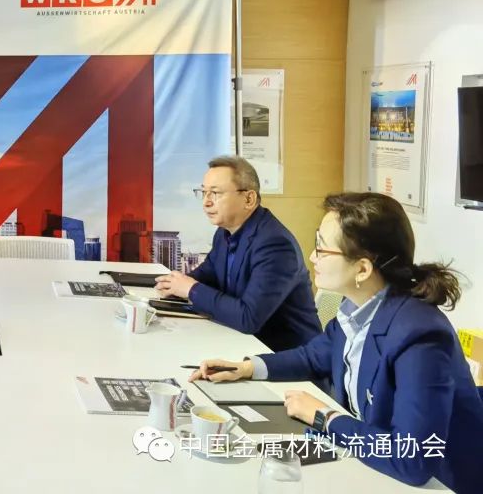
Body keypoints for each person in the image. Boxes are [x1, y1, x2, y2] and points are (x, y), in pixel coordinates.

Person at [190, 192, 483, 491]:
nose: (312, 257)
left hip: (442, 484)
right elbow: (313, 356)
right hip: (374, 469)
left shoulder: (419, 335)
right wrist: (247, 368)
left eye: (322, 248)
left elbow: (413, 458)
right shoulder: (356, 308)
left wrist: (325, 417)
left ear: (362, 269)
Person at [155, 155, 320, 351]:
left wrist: (191, 289)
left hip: (285, 356)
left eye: (215, 193)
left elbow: (248, 317)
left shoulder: (275, 245)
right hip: (240, 343)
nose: (206, 202)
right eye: (204, 192)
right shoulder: (224, 233)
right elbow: (206, 276)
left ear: (249, 199)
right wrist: (173, 285)